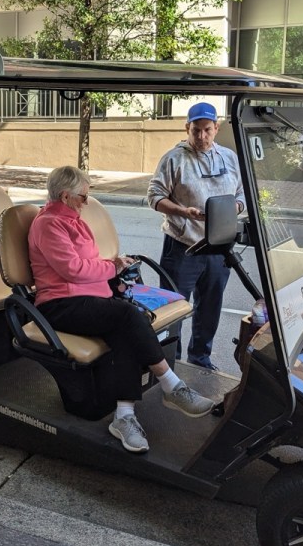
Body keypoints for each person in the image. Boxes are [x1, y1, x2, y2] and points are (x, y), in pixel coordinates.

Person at [28, 165, 214, 454]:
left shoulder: (74, 219)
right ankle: (171, 384)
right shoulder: (48, 224)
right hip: (60, 303)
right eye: (83, 197)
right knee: (127, 316)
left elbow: (90, 265)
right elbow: (73, 270)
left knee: (125, 326)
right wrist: (110, 267)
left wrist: (115, 271)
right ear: (65, 196)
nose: (86, 202)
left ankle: (124, 417)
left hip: (88, 297)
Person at [147, 102, 245, 371]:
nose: (201, 137)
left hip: (218, 247)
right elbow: (154, 197)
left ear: (216, 128)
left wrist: (235, 207)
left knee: (210, 308)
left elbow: (241, 194)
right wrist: (183, 212)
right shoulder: (173, 159)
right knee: (173, 310)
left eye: (207, 130)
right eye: (195, 131)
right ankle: (172, 363)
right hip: (182, 247)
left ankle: (200, 360)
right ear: (186, 128)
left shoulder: (230, 158)